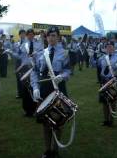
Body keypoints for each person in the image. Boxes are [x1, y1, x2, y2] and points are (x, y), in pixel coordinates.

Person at [31, 26, 70, 158]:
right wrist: (35, 87)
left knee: (58, 119)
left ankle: (56, 150)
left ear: (58, 37)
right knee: (46, 121)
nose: (51, 38)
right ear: (46, 37)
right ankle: (47, 150)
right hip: (44, 88)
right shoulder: (40, 53)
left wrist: (62, 76)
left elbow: (68, 71)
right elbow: (35, 72)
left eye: (54, 35)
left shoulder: (64, 53)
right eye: (49, 35)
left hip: (59, 88)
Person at [99, 42, 117, 127]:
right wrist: (91, 57)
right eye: (107, 47)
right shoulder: (102, 57)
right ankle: (106, 120)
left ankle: (111, 121)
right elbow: (95, 65)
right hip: (104, 81)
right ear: (105, 48)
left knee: (112, 101)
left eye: (110, 47)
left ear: (113, 48)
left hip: (112, 81)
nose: (109, 48)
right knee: (104, 101)